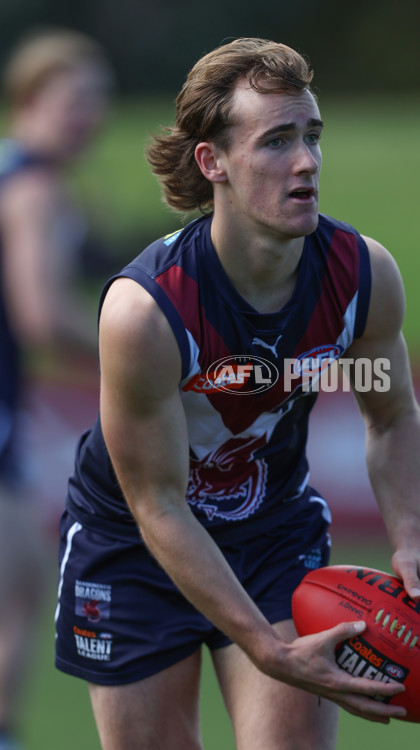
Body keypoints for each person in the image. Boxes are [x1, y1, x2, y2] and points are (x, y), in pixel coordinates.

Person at [54, 37, 420, 750]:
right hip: (133, 545)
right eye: (276, 141)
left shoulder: (362, 276)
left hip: (271, 535)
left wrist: (411, 540)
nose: (306, 161)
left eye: (312, 136)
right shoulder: (146, 313)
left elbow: (393, 413)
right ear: (212, 163)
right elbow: (158, 504)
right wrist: (266, 650)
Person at [0, 28, 112, 750]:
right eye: (75, 99)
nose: (90, 117)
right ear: (30, 99)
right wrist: (135, 341)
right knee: (18, 588)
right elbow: (39, 314)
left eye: (98, 102)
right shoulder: (34, 188)